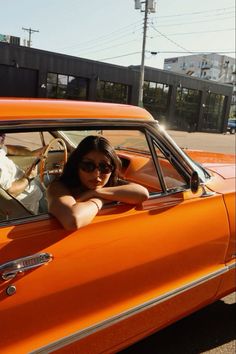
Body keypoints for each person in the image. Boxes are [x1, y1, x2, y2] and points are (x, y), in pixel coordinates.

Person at [47, 135, 149, 230]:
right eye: (88, 166)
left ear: (112, 169)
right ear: (76, 165)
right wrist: (100, 199)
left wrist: (95, 193)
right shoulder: (58, 187)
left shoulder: (110, 183)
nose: (96, 174)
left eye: (104, 167)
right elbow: (72, 220)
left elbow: (143, 193)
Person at [0, 133, 44, 214]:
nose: (3, 136)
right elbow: (11, 192)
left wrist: (33, 153)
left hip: (35, 195)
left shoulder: (0, 149)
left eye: (3, 133)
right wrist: (28, 177)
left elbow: (13, 150)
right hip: (28, 207)